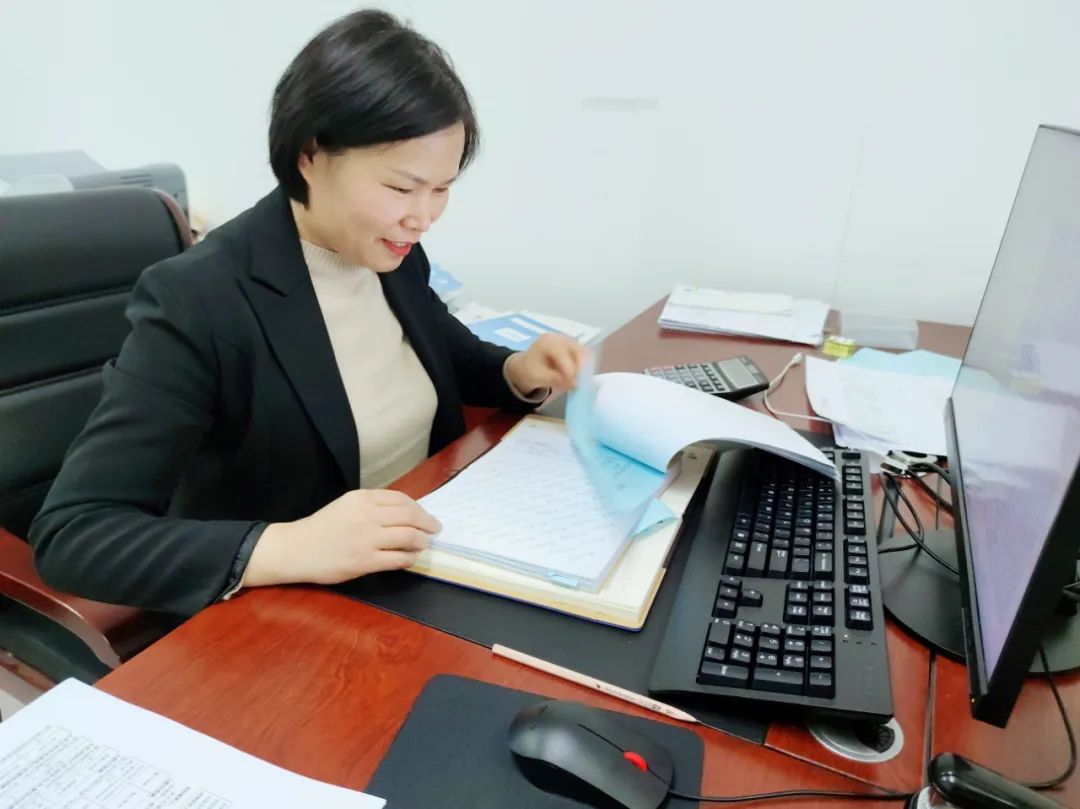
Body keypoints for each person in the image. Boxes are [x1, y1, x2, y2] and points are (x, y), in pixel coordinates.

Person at [29, 9, 586, 617]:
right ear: (310, 156)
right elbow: (74, 535)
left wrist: (518, 372)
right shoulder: (199, 299)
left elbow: (444, 356)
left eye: (442, 188)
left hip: (426, 561)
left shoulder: (391, 253)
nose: (423, 217)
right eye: (401, 188)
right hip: (290, 612)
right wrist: (290, 545)